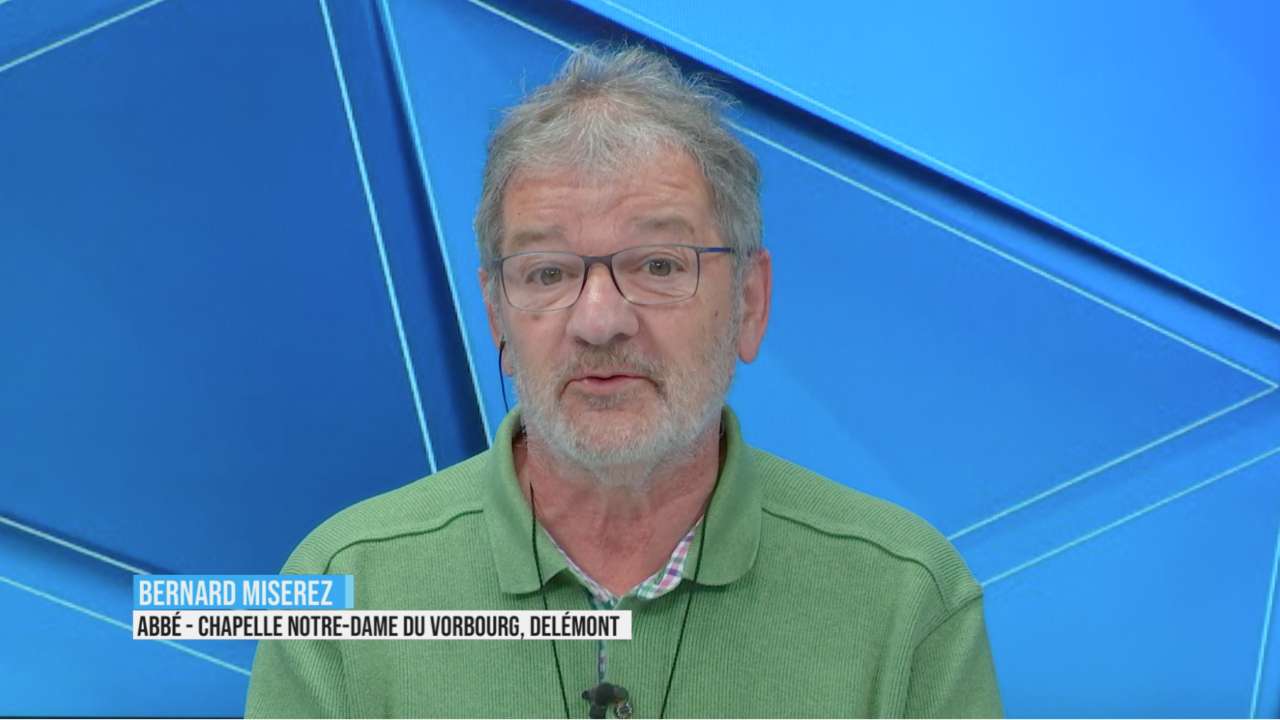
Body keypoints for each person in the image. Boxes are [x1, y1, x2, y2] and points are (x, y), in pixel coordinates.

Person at [246, 45, 1002, 718]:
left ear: (749, 302)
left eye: (658, 265)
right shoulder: (342, 588)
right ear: (498, 315)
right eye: (548, 273)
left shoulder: (907, 598)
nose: (599, 320)